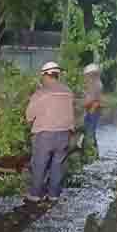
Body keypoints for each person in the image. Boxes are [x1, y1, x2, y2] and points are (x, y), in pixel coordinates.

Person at [25, 61, 75, 203]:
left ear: (45, 75)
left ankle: (35, 194)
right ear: (57, 75)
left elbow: (29, 115)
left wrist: (30, 123)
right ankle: (53, 194)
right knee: (58, 164)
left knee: (40, 164)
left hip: (45, 134)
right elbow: (71, 113)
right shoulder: (67, 91)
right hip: (64, 133)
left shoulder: (41, 93)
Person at [82, 63, 104, 140]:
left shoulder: (96, 84)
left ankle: (90, 148)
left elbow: (92, 99)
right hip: (91, 111)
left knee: (89, 132)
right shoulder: (93, 84)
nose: (86, 77)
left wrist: (82, 105)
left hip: (92, 112)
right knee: (88, 132)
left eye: (88, 75)